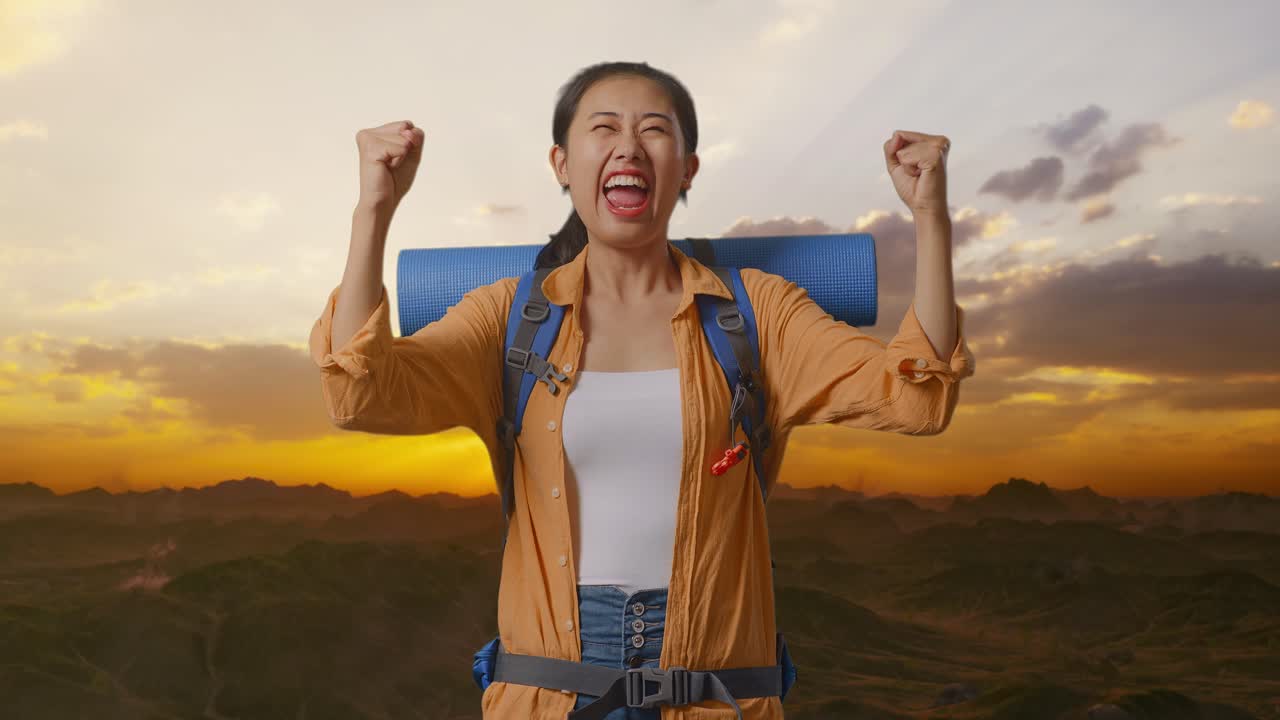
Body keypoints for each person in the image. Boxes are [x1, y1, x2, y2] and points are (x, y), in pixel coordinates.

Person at [310, 61, 974, 719]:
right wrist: (374, 209)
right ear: (562, 163)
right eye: (603, 127)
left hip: (717, 697)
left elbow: (912, 397)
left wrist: (930, 217)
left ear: (686, 168)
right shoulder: (507, 319)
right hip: (547, 696)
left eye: (655, 129)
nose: (628, 144)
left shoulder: (756, 315)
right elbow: (364, 392)